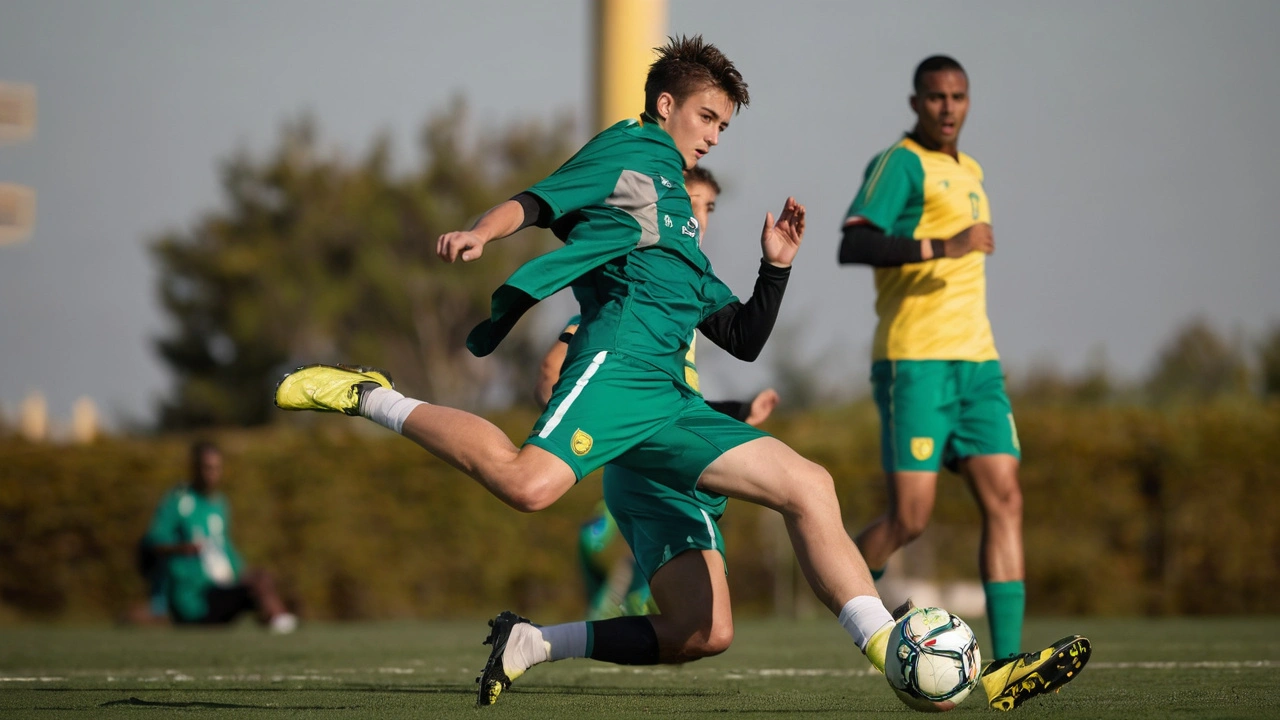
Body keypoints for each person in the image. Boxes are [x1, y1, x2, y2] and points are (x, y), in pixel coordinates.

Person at [275, 36, 925, 709]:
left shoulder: (680, 216)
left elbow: (742, 336)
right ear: (665, 103)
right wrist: (480, 231)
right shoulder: (629, 151)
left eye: (724, 126)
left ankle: (891, 652)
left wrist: (777, 265)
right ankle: (373, 396)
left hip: (670, 401)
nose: (715, 136)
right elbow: (536, 201)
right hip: (618, 369)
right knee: (529, 487)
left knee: (779, 528)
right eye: (707, 118)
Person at [837, 55, 1089, 710]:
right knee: (910, 518)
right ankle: (840, 592)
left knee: (1005, 498)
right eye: (936, 97)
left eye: (959, 96)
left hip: (977, 365)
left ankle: (1005, 669)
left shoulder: (970, 172)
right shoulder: (900, 164)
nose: (948, 107)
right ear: (916, 102)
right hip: (913, 362)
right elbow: (854, 244)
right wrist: (942, 246)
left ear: (968, 102)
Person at [536, 166, 781, 621]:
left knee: (698, 622)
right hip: (649, 466)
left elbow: (676, 401)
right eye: (690, 203)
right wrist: (579, 434)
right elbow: (560, 363)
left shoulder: (686, 293)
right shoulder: (644, 288)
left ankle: (577, 622)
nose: (700, 217)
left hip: (665, 452)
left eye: (708, 206)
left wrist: (737, 410)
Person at [142, 441, 297, 633]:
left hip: (220, 588)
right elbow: (153, 541)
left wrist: (244, 573)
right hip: (194, 597)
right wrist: (183, 548)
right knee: (257, 584)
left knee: (261, 578)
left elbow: (225, 548)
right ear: (194, 468)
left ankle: (276, 621)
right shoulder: (177, 500)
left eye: (216, 468)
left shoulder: (220, 504)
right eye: (206, 468)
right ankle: (278, 622)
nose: (211, 474)